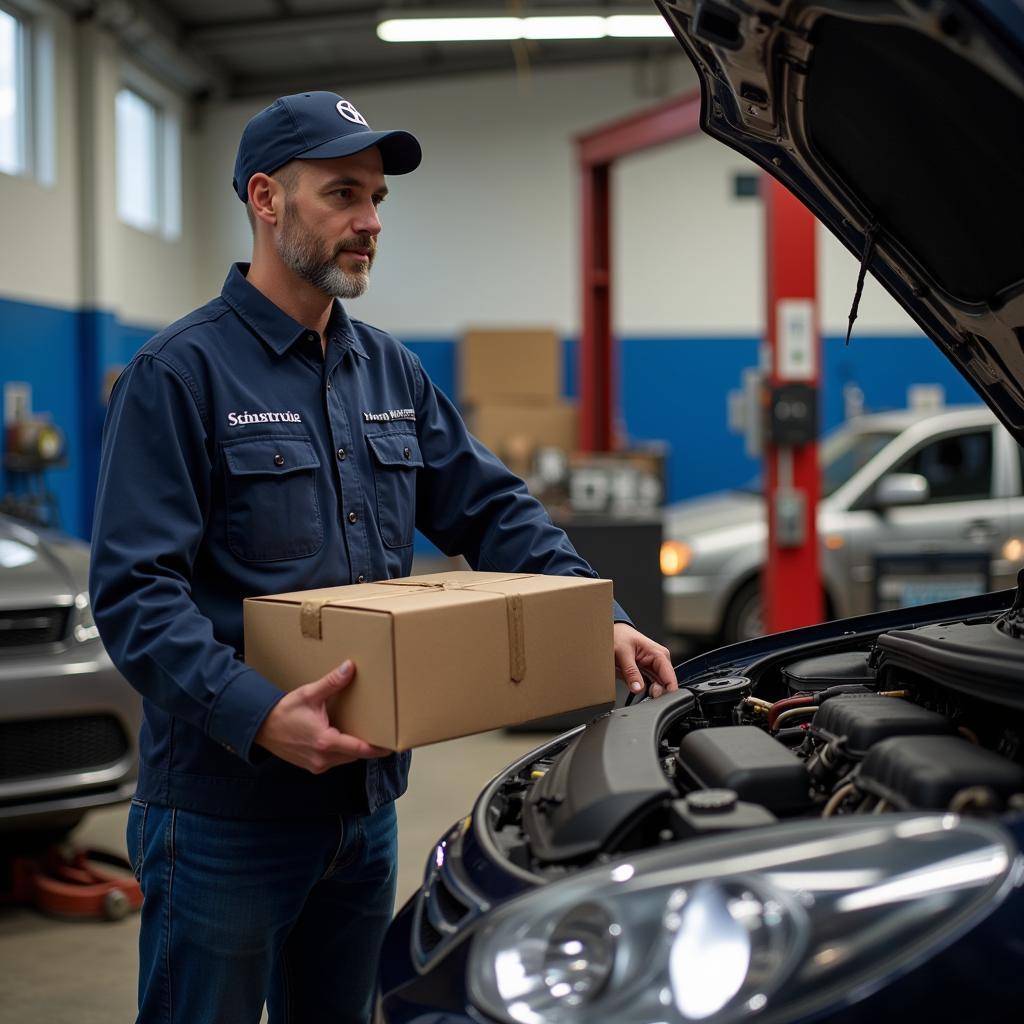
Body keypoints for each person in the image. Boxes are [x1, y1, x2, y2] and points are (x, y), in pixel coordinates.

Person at [89, 90, 677, 1024]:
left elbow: (492, 510)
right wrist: (262, 715)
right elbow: (134, 597)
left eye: (377, 201)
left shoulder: (389, 371)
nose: (369, 222)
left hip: (364, 808)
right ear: (266, 200)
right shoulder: (178, 376)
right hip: (222, 819)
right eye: (343, 194)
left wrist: (595, 611)